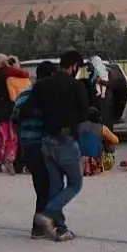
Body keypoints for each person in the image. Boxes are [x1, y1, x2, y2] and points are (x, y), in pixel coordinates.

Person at [22, 50, 89, 242]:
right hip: (65, 140)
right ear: (74, 66)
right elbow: (83, 115)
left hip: (46, 142)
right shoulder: (76, 86)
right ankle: (47, 213)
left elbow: (26, 110)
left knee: (56, 185)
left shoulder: (42, 85)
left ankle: (61, 228)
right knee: (75, 184)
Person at [12, 60, 56, 239]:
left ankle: (46, 223)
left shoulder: (23, 95)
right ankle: (40, 227)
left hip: (28, 146)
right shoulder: (50, 96)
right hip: (45, 147)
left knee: (41, 186)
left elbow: (15, 122)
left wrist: (22, 140)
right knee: (47, 187)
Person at [0, 53, 29, 174]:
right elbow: (23, 74)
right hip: (6, 109)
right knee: (10, 136)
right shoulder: (6, 72)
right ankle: (8, 158)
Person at [78, 107, 119, 176]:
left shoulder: (79, 126)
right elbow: (116, 140)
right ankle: (104, 162)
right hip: (95, 160)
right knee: (109, 143)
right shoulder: (102, 127)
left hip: (79, 159)